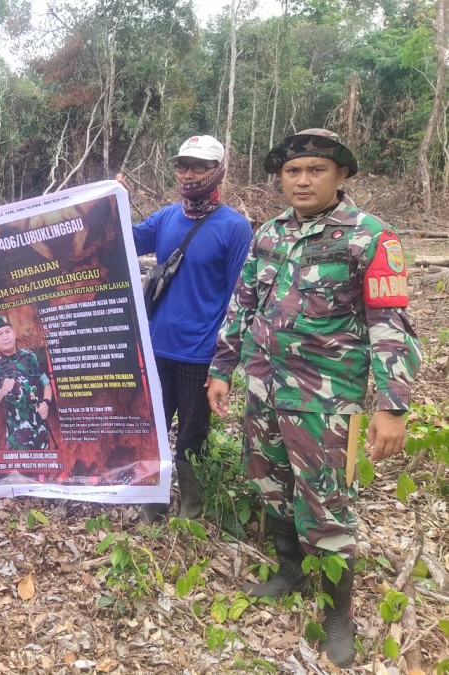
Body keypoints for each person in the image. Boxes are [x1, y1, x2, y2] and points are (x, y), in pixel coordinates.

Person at [206, 128, 422, 667]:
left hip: (324, 400)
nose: (302, 180)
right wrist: (221, 368)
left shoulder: (371, 237)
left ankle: (336, 616)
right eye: (292, 171)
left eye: (315, 170)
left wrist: (392, 407)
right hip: (263, 386)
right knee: (269, 480)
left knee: (326, 504)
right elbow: (244, 303)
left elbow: (390, 323)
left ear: (341, 175)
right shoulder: (270, 233)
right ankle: (288, 571)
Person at [119, 135, 252, 518]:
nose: (189, 174)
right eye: (182, 166)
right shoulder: (165, 218)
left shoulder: (235, 228)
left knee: (191, 437)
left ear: (219, 171)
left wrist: (223, 365)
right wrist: (114, 203)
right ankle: (152, 506)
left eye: (199, 166)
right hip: (157, 347)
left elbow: (238, 299)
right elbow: (122, 239)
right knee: (153, 430)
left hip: (199, 355)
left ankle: (190, 510)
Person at [0, 315, 53, 450]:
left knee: (44, 470)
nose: (5, 337)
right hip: (18, 438)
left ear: (14, 333)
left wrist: (46, 403)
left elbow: (46, 384)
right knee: (22, 471)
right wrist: (2, 391)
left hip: (41, 432)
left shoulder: (30, 357)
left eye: (8, 331)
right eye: (0, 334)